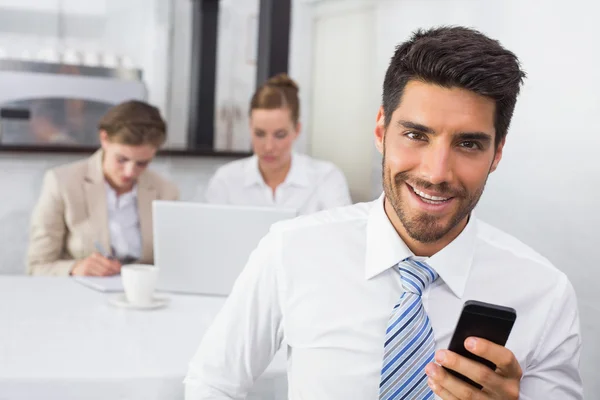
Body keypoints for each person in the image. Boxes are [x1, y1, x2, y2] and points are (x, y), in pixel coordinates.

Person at [184, 27, 582, 399]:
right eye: (415, 135)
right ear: (380, 131)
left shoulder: (545, 294)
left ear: (496, 154)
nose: (435, 172)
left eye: (468, 144)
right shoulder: (289, 251)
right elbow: (213, 383)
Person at [27, 100, 179, 276]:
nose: (130, 172)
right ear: (104, 139)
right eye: (121, 159)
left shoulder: (166, 191)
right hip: (80, 294)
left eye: (142, 163)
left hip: (143, 297)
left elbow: (174, 263)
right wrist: (75, 268)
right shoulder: (62, 183)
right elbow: (36, 266)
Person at [203, 73, 352, 215]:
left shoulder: (326, 178)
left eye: (280, 135)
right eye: (260, 134)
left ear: (297, 130)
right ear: (250, 127)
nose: (268, 147)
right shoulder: (225, 181)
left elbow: (344, 236)